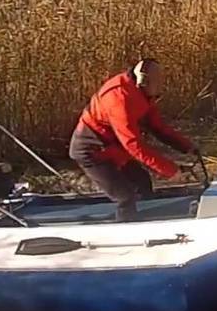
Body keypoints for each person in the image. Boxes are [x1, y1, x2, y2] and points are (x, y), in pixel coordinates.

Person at [69, 58, 198, 222]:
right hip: (91, 153)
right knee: (125, 196)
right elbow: (133, 145)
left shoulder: (143, 94)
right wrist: (170, 170)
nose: (161, 85)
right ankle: (125, 229)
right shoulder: (119, 98)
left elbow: (157, 127)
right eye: (157, 81)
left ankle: (152, 218)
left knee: (142, 181)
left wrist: (187, 146)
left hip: (112, 149)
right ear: (144, 81)